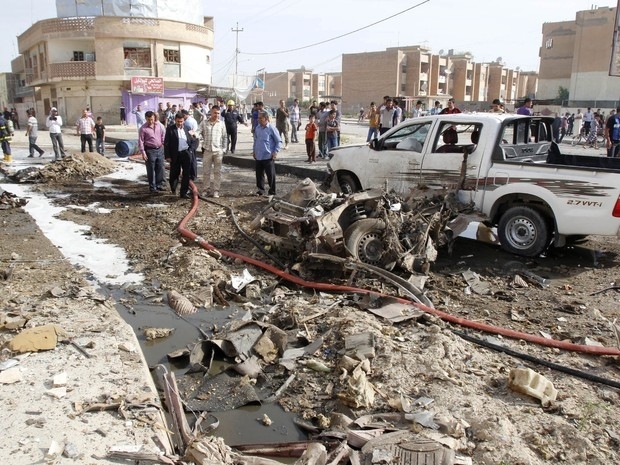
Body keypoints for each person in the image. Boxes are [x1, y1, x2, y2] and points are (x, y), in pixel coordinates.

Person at [165, 112, 199, 199]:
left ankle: (183, 192)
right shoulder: (170, 129)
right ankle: (174, 189)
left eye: (181, 121)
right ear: (175, 120)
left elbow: (195, 139)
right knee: (174, 173)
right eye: (178, 121)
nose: (180, 123)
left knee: (186, 173)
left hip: (186, 153)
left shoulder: (188, 128)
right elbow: (166, 143)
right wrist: (168, 156)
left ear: (184, 120)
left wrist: (191, 150)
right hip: (175, 154)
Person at [199, 105, 227, 198]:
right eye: (215, 113)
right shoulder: (204, 123)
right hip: (207, 150)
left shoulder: (222, 123)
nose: (216, 115)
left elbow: (225, 137)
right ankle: (206, 190)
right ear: (211, 112)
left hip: (218, 151)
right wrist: (198, 138)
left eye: (218, 113)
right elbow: (198, 132)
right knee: (206, 171)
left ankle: (216, 190)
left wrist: (224, 149)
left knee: (217, 172)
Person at [252, 110, 281, 196]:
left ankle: (272, 191)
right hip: (259, 155)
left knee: (270, 175)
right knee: (259, 174)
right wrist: (254, 151)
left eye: (261, 118)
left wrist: (275, 152)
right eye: (258, 118)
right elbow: (255, 140)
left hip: (268, 156)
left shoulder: (272, 128)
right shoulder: (257, 128)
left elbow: (278, 141)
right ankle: (261, 189)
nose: (259, 120)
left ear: (266, 118)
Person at [138, 110, 166, 194]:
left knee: (160, 167)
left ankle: (159, 185)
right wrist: (143, 152)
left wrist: (163, 144)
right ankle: (152, 187)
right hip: (150, 150)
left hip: (160, 149)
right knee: (151, 169)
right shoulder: (143, 128)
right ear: (146, 119)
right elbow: (141, 141)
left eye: (152, 119)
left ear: (154, 118)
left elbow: (163, 135)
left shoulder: (159, 126)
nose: (151, 121)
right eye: (149, 119)